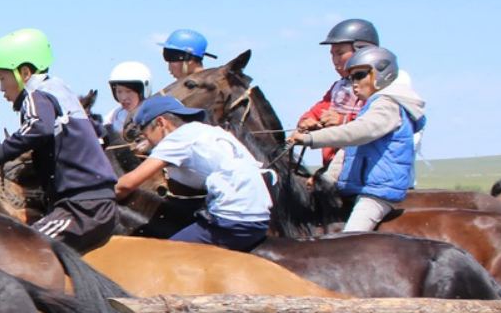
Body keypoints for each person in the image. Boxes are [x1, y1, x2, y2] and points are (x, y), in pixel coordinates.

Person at [0, 28, 119, 252]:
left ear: (24, 73)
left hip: (81, 208)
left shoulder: (36, 94)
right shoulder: (62, 93)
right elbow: (100, 134)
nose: (1, 88)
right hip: (89, 204)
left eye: (2, 78)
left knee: (20, 250)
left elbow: (38, 127)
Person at [290, 45, 426, 232]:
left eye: (359, 75)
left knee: (350, 238)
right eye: (352, 76)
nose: (353, 82)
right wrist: (326, 179)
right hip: (361, 188)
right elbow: (349, 153)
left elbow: (355, 132)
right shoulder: (371, 106)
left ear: (381, 74)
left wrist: (311, 138)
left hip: (377, 194)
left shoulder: (387, 106)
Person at [114, 96, 271, 250]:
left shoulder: (178, 138)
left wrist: (97, 197)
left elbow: (126, 185)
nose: (150, 142)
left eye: (147, 134)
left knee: (163, 257)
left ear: (161, 123)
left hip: (232, 221)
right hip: (260, 219)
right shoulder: (210, 131)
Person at [296, 18, 375, 167]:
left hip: (365, 168)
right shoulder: (338, 88)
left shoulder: (379, 87)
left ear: (362, 51)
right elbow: (317, 111)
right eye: (332, 54)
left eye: (340, 53)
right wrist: (307, 122)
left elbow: (375, 124)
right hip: (335, 167)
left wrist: (342, 121)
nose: (335, 60)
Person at [104, 60, 151, 142]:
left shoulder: (153, 112)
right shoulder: (114, 115)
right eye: (119, 91)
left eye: (129, 91)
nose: (123, 97)